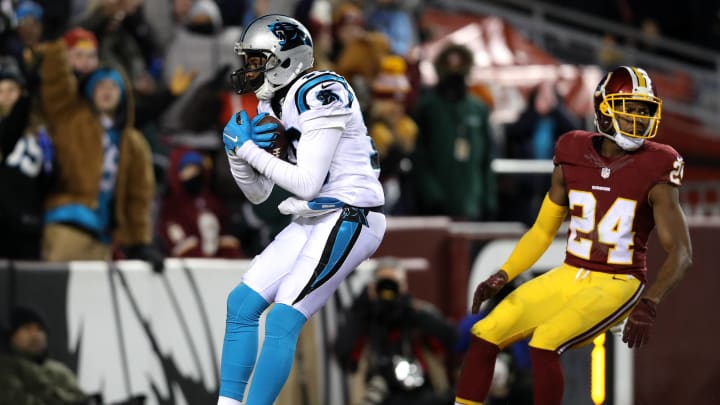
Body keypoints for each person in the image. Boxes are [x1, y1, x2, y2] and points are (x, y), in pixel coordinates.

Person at [454, 66, 693, 405]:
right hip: (572, 272)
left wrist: (650, 303)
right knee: (484, 333)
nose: (638, 118)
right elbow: (542, 230)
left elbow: (682, 253)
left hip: (619, 280)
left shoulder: (658, 164)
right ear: (604, 108)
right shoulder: (571, 150)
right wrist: (504, 273)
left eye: (644, 110)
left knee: (546, 341)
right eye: (629, 107)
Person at [217, 15, 386, 405]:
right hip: (315, 214)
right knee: (240, 305)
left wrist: (248, 149)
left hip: (351, 214)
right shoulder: (270, 99)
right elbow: (260, 194)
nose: (250, 69)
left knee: (282, 318)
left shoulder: (321, 89)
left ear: (286, 59)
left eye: (257, 60)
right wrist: (238, 157)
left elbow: (307, 181)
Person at [37, 36, 163, 270]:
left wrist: (139, 243)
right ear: (90, 92)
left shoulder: (133, 144)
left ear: (124, 95)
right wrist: (55, 44)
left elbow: (138, 198)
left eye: (113, 86)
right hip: (66, 224)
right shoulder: (70, 119)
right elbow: (56, 85)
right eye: (101, 86)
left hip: (103, 237)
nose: (107, 91)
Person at [335, 258, 457, 405]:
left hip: (421, 395)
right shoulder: (366, 318)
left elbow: (452, 338)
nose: (389, 290)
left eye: (393, 284)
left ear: (404, 285)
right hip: (378, 395)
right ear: (374, 287)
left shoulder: (418, 312)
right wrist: (361, 310)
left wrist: (411, 311)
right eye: (383, 284)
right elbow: (343, 353)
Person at [411, 43, 496, 221]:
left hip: (471, 203)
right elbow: (419, 156)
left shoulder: (478, 109)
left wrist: (488, 199)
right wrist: (431, 194)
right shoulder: (428, 108)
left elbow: (487, 158)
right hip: (435, 206)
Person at [0, 306, 94, 404]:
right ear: (11, 335)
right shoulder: (5, 367)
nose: (35, 335)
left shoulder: (58, 370)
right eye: (27, 328)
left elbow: (81, 398)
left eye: (40, 329)